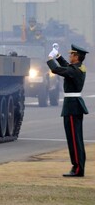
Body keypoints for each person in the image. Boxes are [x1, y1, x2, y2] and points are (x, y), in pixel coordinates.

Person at [47, 43, 89, 177]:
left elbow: (58, 70)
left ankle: (77, 168)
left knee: (74, 139)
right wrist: (58, 56)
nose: (69, 56)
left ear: (76, 57)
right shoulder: (77, 68)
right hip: (74, 105)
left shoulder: (74, 71)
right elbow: (66, 66)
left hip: (72, 106)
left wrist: (50, 59)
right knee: (76, 138)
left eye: (71, 54)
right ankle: (78, 166)